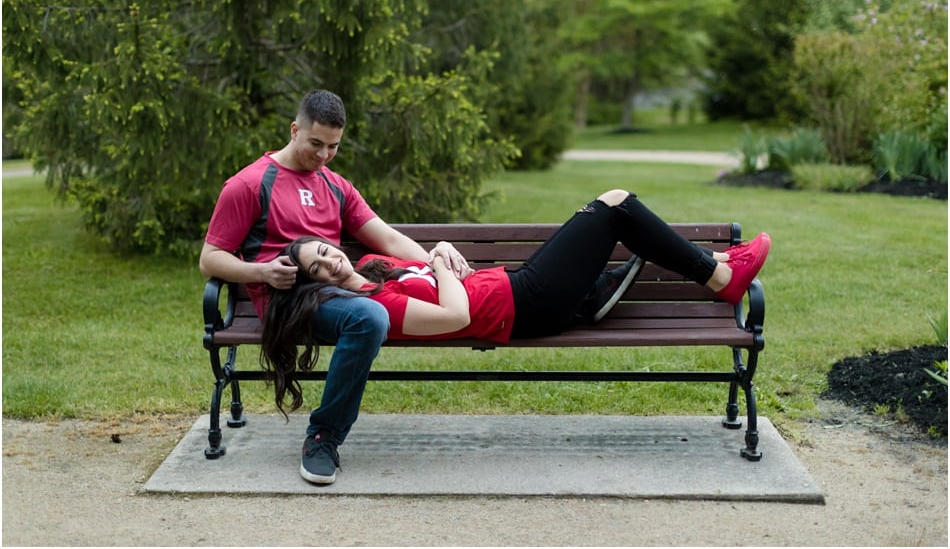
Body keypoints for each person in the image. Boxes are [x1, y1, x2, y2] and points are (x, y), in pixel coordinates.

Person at [260, 188, 770, 420]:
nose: (329, 263)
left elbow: (441, 267)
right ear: (314, 286)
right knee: (615, 206)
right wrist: (440, 261)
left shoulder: (376, 264)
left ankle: (597, 295)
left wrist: (441, 254)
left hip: (518, 285)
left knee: (614, 214)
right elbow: (456, 316)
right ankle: (722, 275)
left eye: (325, 252)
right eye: (316, 270)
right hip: (525, 306)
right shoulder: (379, 309)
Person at [198, 89, 477, 486]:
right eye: (315, 143)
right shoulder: (248, 184)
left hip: (334, 292)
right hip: (284, 298)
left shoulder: (335, 185)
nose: (324, 155)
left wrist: (433, 260)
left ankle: (325, 432)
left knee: (372, 311)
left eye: (333, 147)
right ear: (295, 130)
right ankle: (322, 436)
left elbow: (388, 239)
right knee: (369, 316)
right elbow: (210, 258)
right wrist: (261, 273)